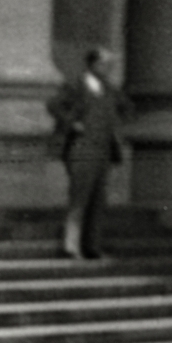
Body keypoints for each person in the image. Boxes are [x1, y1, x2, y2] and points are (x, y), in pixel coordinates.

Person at [47, 47, 132, 259]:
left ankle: (92, 247)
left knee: (98, 201)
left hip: (103, 150)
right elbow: (54, 105)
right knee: (80, 198)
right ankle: (71, 246)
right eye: (105, 64)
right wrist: (72, 123)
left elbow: (127, 107)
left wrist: (116, 123)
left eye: (110, 65)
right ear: (93, 64)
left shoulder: (109, 89)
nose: (108, 68)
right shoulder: (76, 85)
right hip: (82, 148)